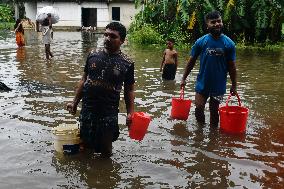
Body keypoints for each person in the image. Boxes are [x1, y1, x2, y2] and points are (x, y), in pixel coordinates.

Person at [66, 22, 135, 157]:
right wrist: (74, 102)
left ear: (122, 41)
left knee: (106, 151)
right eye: (106, 34)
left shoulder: (127, 63)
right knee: (85, 146)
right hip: (88, 109)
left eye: (113, 36)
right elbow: (83, 79)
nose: (107, 38)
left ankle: (106, 175)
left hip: (108, 113)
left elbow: (129, 90)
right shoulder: (93, 55)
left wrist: (130, 113)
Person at [180, 10, 237, 127]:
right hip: (202, 83)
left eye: (219, 21)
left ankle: (213, 136)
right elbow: (191, 61)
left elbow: (232, 67)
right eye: (213, 22)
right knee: (199, 107)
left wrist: (234, 85)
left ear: (222, 22)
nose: (217, 24)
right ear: (207, 25)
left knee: (214, 110)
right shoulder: (201, 42)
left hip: (219, 85)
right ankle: (199, 131)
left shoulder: (229, 44)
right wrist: (183, 78)